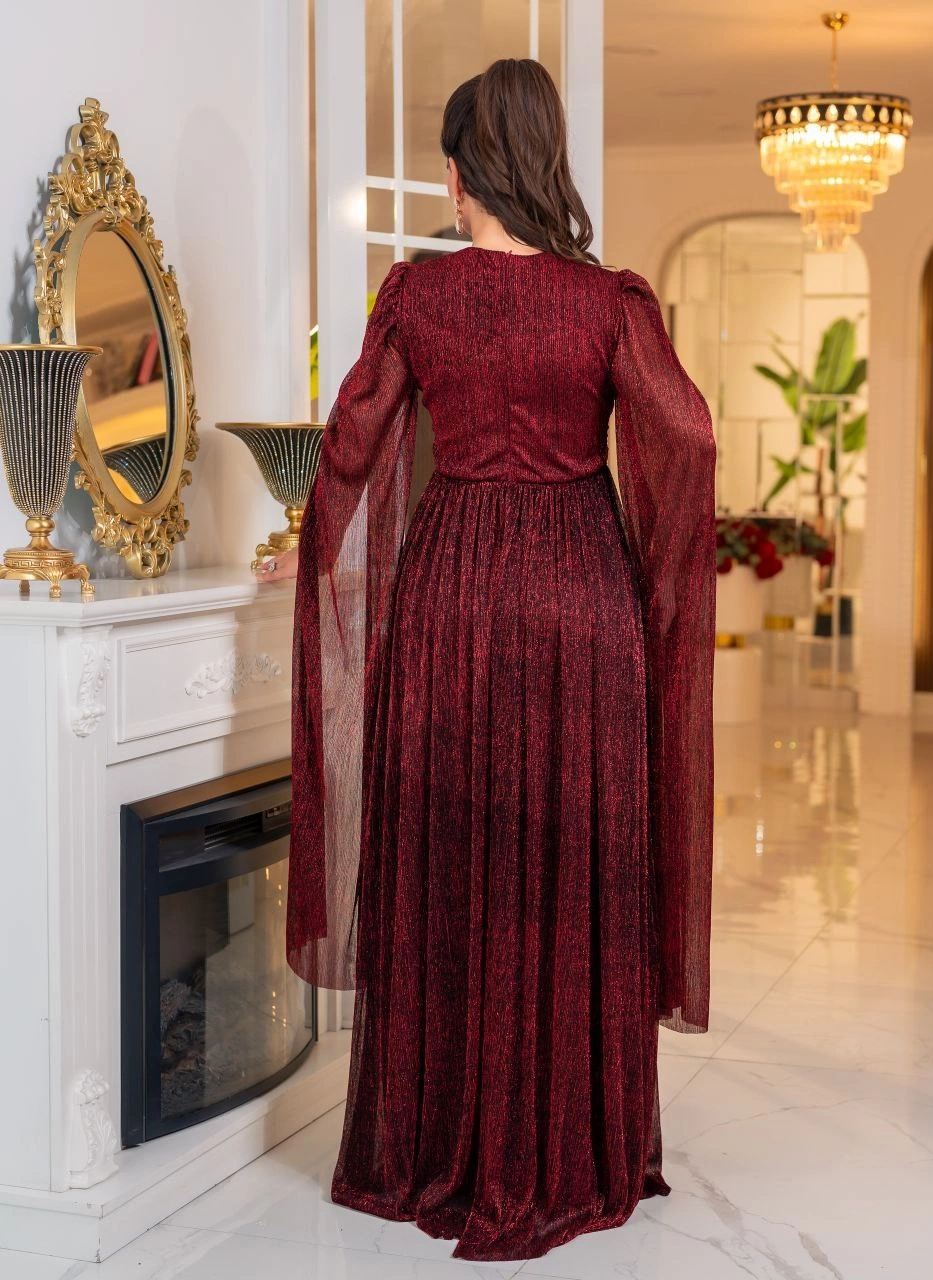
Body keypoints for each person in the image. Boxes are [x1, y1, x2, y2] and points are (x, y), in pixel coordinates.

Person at [256, 56, 716, 1263]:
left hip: (452, 596)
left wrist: (309, 546)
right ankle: (574, 1148)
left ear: (461, 173)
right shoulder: (610, 302)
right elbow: (687, 435)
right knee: (575, 860)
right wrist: (657, 563)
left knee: (447, 857)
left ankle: (430, 1143)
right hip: (580, 600)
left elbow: (353, 445)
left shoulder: (417, 298)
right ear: (546, 163)